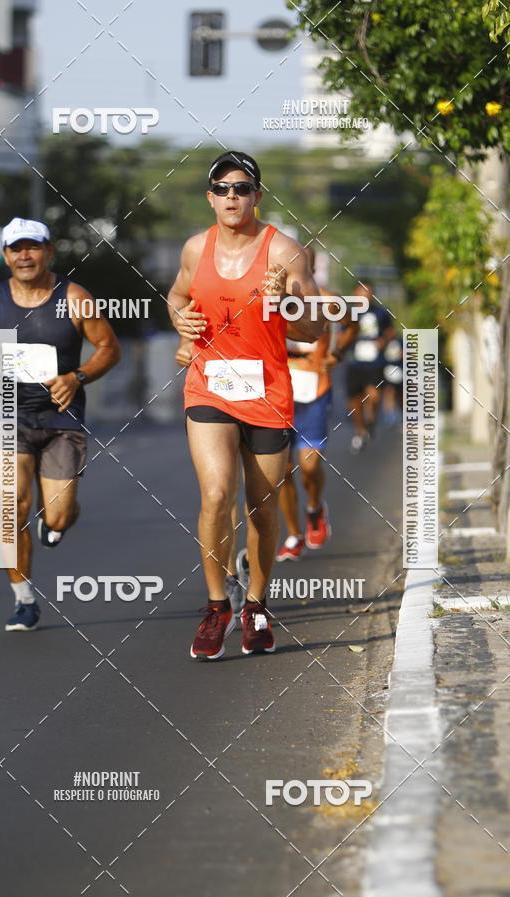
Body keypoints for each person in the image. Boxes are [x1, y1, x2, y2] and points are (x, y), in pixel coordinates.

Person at [168, 150, 325, 660]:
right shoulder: (195, 248)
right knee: (216, 494)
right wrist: (182, 322)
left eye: (242, 188)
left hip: (266, 391)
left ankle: (256, 603)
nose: (232, 196)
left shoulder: (285, 253)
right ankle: (218, 607)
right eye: (223, 188)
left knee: (261, 508)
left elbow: (313, 329)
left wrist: (284, 305)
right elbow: (177, 295)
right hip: (209, 386)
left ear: (257, 196)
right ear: (210, 197)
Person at [0, 217, 121, 632]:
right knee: (10, 509)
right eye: (16, 248)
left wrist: (76, 377)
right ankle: (24, 599)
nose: (24, 255)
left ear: (48, 251)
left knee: (59, 513)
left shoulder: (76, 297)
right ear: (6, 255)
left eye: (32, 247)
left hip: (61, 417)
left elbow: (109, 348)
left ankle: (57, 522)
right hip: (6, 413)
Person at [276, 249, 359, 560]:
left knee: (309, 467)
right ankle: (294, 534)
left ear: (310, 266)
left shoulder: (327, 300)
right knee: (281, 470)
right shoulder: (270, 300)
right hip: (277, 391)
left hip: (314, 390)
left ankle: (314, 508)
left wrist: (337, 354)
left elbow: (352, 326)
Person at [175, 335, 246, 618]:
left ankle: (251, 560)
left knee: (260, 494)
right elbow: (188, 322)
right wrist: (183, 348)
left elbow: (307, 328)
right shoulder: (201, 289)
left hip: (267, 390)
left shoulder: (277, 289)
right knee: (222, 492)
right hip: (215, 392)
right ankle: (229, 576)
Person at [345, 281, 395, 453]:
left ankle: (371, 420)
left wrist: (384, 341)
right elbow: (340, 333)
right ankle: (360, 431)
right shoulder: (349, 313)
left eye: (368, 292)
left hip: (375, 363)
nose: (365, 295)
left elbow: (390, 332)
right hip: (354, 363)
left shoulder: (381, 313)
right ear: (354, 293)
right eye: (361, 292)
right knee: (354, 402)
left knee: (373, 396)